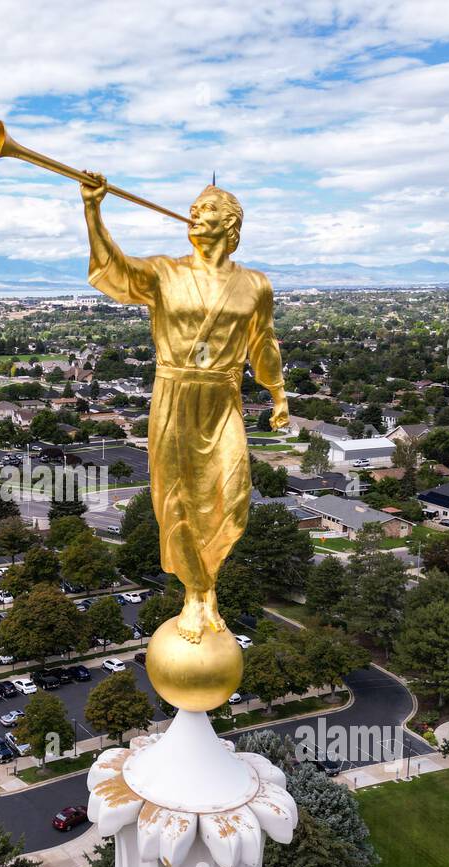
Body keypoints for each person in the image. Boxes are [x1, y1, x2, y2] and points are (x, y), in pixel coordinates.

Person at [81, 174, 288, 642]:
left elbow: (263, 342)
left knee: (231, 498)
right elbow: (114, 270)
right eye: (193, 208)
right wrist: (94, 212)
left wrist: (278, 393)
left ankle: (205, 582)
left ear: (231, 223)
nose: (195, 212)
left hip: (223, 398)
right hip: (174, 396)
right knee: (177, 501)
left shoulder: (255, 284)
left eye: (207, 208)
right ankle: (198, 593)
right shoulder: (164, 272)